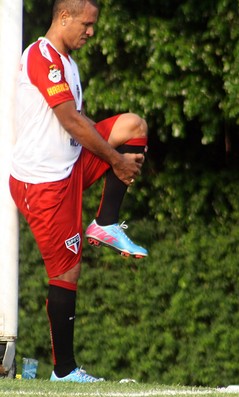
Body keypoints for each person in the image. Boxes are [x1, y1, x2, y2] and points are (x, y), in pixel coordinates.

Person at [9, 0, 148, 383]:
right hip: (44, 184)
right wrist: (117, 162)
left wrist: (115, 156)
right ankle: (64, 372)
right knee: (66, 272)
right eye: (87, 24)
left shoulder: (68, 61)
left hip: (68, 166)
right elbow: (70, 121)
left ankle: (104, 223)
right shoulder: (42, 57)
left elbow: (78, 120)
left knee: (133, 126)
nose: (91, 32)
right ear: (64, 17)